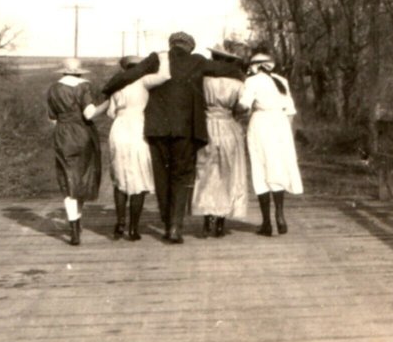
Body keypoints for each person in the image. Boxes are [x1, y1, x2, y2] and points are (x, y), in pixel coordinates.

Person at [102, 31, 243, 244]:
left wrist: (107, 88)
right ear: (190, 47)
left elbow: (129, 75)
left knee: (161, 178)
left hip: (157, 128)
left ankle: (167, 223)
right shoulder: (197, 61)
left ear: (171, 45)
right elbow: (227, 69)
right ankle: (175, 229)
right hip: (186, 130)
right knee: (180, 176)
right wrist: (246, 71)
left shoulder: (156, 58)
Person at [107, 52, 171, 241]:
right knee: (139, 178)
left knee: (120, 177)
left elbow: (111, 113)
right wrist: (164, 57)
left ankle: (120, 221)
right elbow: (165, 76)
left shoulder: (116, 84)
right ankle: (134, 228)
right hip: (137, 127)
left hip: (119, 128)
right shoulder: (143, 81)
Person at [239, 49, 303, 236]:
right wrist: (286, 135)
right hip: (281, 125)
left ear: (254, 66)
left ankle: (267, 222)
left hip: (261, 124)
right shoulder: (282, 81)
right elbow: (290, 111)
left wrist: (235, 109)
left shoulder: (251, 81)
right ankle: (280, 214)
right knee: (278, 168)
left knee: (260, 169)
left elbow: (244, 105)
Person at [47, 57, 109, 246]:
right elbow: (89, 113)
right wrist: (107, 103)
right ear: (80, 71)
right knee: (81, 178)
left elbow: (52, 118)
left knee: (68, 179)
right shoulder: (83, 86)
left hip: (62, 135)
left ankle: (74, 227)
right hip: (82, 133)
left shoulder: (53, 88)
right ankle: (77, 224)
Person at [191, 46, 248, 237]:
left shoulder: (203, 80)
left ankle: (207, 219)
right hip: (228, 127)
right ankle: (221, 222)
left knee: (206, 173)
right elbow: (243, 108)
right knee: (227, 174)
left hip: (206, 127)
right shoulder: (237, 83)